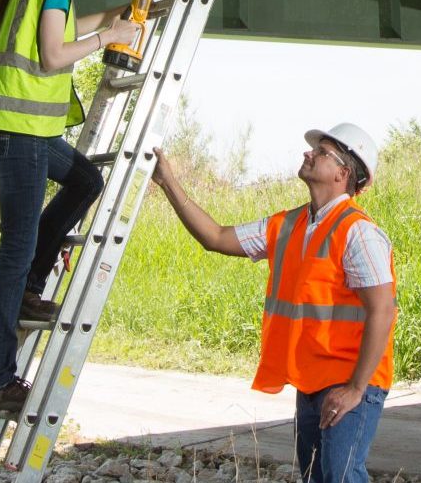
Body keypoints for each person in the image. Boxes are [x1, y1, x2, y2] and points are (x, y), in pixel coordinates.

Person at [0, 0, 139, 419]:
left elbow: (58, 29)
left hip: (16, 126)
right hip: (20, 130)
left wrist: (114, 15)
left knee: (85, 181)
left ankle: (21, 289)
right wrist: (112, 36)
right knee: (12, 254)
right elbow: (54, 54)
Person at [152, 122, 395, 483]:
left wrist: (356, 389)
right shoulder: (289, 224)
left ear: (343, 174)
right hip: (311, 382)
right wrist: (167, 182)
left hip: (350, 381)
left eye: (321, 152)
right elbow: (216, 237)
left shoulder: (358, 232)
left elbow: (383, 309)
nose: (307, 153)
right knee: (317, 477)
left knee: (341, 477)